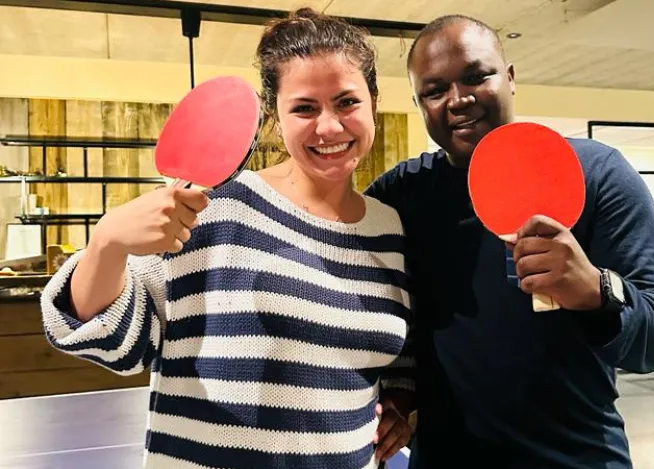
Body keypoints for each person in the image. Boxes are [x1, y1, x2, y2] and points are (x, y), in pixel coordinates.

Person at [39, 8, 414, 469]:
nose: (330, 126)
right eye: (304, 108)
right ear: (277, 115)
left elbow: (391, 356)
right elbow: (117, 344)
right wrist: (106, 245)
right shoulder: (213, 209)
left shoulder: (390, 228)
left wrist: (399, 401)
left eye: (346, 102)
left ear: (373, 100)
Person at [364, 14, 654, 469]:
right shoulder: (402, 195)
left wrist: (596, 290)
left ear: (510, 78)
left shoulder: (597, 174)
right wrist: (393, 394)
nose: (459, 100)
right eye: (435, 91)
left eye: (477, 76)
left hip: (578, 459)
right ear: (420, 104)